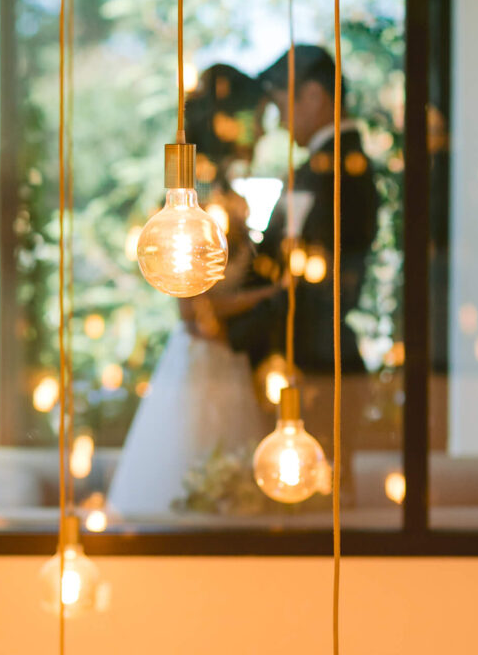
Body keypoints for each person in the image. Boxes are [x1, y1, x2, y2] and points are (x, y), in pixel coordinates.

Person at [108, 65, 279, 518]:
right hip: (205, 355)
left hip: (228, 360)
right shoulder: (192, 202)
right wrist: (271, 296)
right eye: (257, 116)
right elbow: (193, 310)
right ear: (228, 121)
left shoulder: (225, 193)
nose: (263, 129)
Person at [231, 44, 378, 496]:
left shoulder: (340, 172)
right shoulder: (320, 169)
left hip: (316, 362)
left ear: (313, 97)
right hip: (306, 360)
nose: (277, 121)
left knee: (318, 503)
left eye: (280, 104)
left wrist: (238, 324)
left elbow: (318, 284)